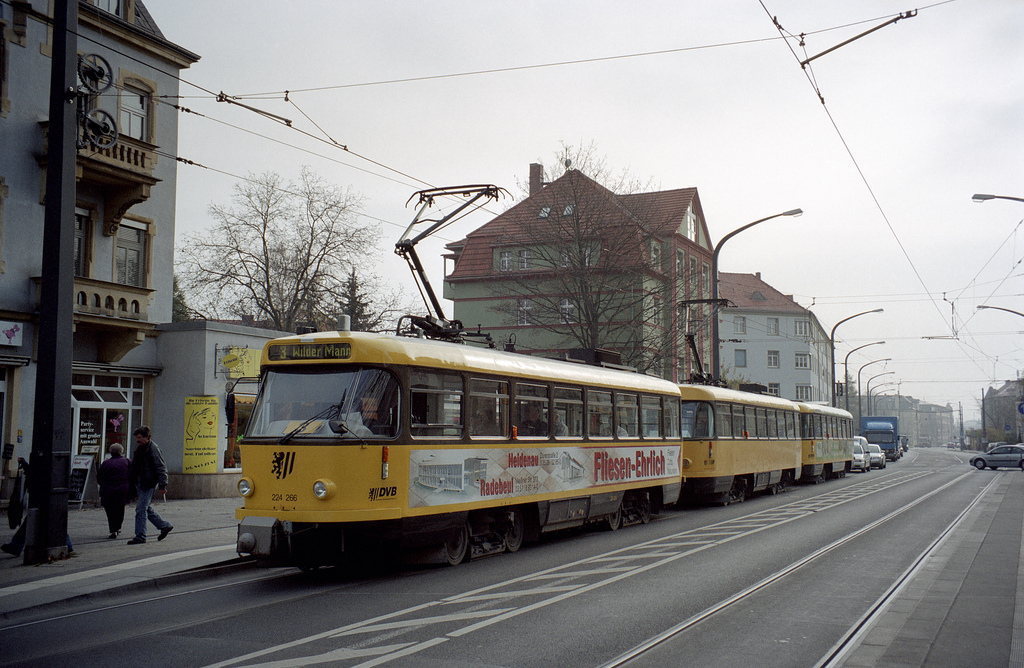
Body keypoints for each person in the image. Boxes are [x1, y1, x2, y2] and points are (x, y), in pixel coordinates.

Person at [127, 426, 173, 545]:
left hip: (148, 483)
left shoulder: (153, 449)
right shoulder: (141, 448)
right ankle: (164, 526)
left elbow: (161, 467)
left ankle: (140, 536)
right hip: (141, 482)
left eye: (140, 437)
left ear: (147, 437)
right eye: (137, 438)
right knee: (145, 508)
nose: (138, 440)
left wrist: (163, 485)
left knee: (140, 509)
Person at [97, 443, 132, 539]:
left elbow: (100, 477)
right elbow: (132, 475)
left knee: (110, 510)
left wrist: (103, 485)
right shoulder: (127, 462)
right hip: (122, 489)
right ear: (121, 451)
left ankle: (113, 529)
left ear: (111, 452)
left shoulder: (105, 463)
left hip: (108, 489)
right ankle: (117, 527)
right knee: (120, 509)